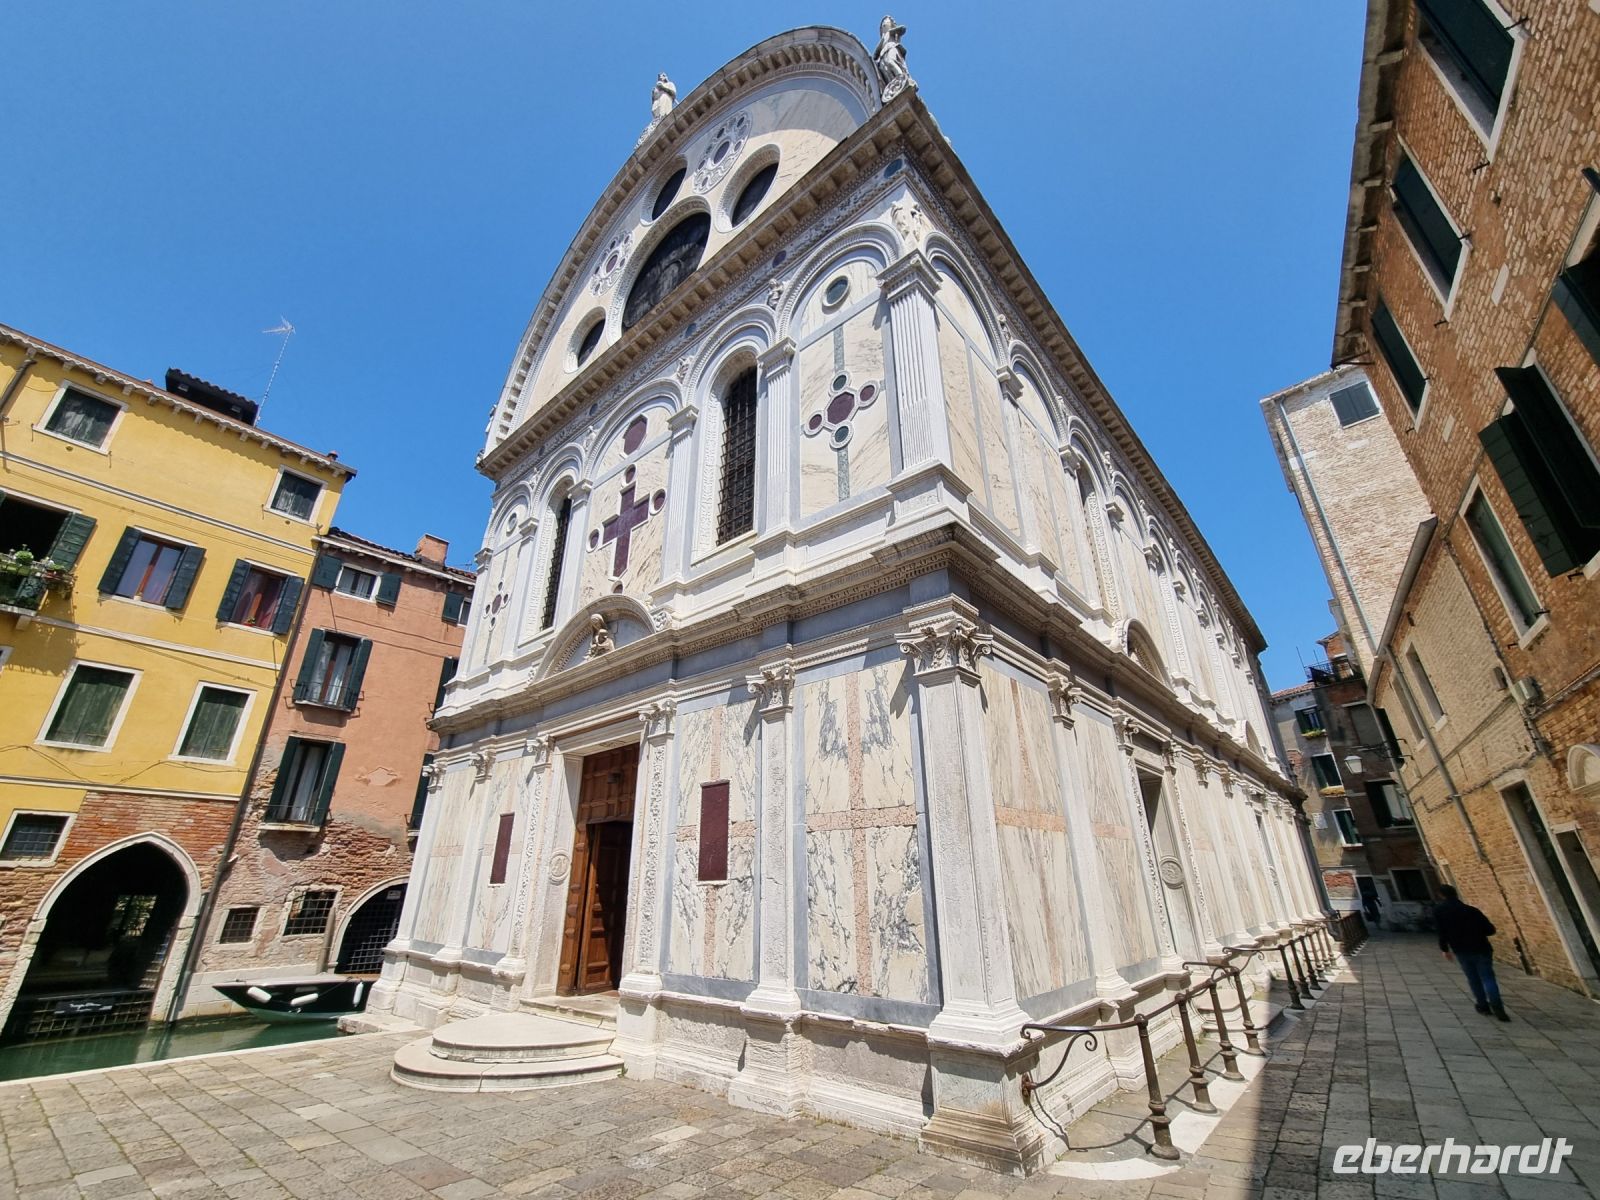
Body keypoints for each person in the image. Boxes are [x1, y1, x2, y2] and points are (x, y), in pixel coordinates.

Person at [1434, 885, 1509, 1021]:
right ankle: (1498, 1007)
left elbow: (1441, 932)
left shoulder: (1440, 911)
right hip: (1481, 948)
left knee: (1473, 979)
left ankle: (1483, 1006)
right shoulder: (1472, 911)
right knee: (1488, 978)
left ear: (1441, 895)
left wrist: (1444, 949)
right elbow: (1490, 930)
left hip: (1461, 949)